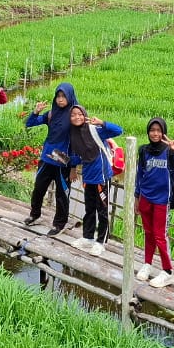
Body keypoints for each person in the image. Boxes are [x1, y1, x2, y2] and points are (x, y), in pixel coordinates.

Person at [134, 118, 174, 289]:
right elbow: (140, 174)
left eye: (158, 130)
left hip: (162, 200)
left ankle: (167, 272)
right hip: (145, 197)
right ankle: (147, 263)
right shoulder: (143, 150)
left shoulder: (169, 152)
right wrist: (136, 196)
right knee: (148, 232)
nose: (155, 133)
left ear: (163, 132)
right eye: (152, 130)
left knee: (160, 236)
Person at [65, 105, 123, 257]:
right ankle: (88, 237)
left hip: (101, 177)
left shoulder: (94, 130)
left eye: (80, 114)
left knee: (102, 210)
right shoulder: (73, 134)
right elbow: (80, 156)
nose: (77, 117)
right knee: (89, 208)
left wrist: (102, 123)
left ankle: (101, 242)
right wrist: (69, 163)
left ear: (84, 115)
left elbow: (118, 130)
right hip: (88, 176)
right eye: (73, 115)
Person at [24, 83, 78, 235]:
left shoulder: (75, 115)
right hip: (46, 159)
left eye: (64, 96)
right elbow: (30, 123)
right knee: (38, 189)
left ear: (70, 97)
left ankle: (59, 224)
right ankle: (34, 215)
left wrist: (74, 168)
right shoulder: (51, 114)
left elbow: (77, 143)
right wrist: (35, 111)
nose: (61, 100)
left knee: (62, 194)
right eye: (58, 96)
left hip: (63, 162)